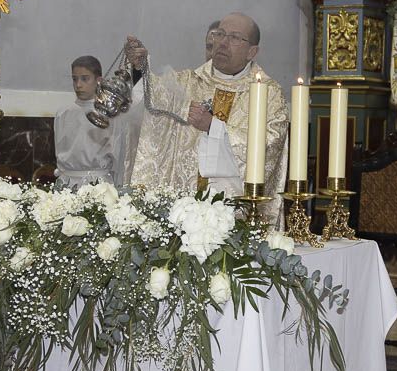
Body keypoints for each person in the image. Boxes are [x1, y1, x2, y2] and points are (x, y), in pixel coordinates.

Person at [125, 12, 289, 218]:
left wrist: (214, 127)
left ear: (252, 52)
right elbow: (155, 99)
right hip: (183, 208)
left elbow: (270, 145)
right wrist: (140, 68)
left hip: (235, 213)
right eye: (220, 34)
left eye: (234, 37)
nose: (223, 43)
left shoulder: (269, 94)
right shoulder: (188, 82)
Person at [53, 55, 116, 187]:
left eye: (85, 79)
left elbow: (117, 152)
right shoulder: (63, 113)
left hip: (98, 183)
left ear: (98, 81)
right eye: (74, 79)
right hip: (66, 181)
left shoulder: (109, 114)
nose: (78, 85)